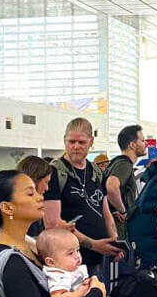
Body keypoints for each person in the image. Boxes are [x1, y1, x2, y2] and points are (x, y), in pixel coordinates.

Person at [43, 119, 124, 278]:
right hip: (68, 262)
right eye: (71, 141)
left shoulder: (95, 171)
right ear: (64, 140)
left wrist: (114, 241)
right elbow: (53, 223)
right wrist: (94, 245)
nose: (76, 146)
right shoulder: (55, 172)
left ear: (91, 142)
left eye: (81, 142)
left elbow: (105, 210)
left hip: (99, 258)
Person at [104, 124, 147, 248]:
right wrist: (123, 210)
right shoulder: (124, 164)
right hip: (118, 230)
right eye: (142, 140)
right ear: (132, 145)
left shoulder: (116, 163)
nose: (145, 144)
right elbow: (111, 187)